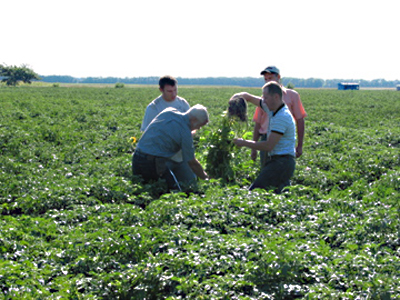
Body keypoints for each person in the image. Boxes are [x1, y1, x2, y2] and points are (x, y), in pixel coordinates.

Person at [233, 81, 296, 193]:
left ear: (276, 97)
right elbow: (250, 97)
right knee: (278, 194)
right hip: (279, 161)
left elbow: (268, 146)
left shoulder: (282, 117)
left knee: (255, 191)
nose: (264, 100)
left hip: (282, 163)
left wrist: (243, 143)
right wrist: (236, 98)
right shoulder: (273, 109)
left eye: (266, 97)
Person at [132, 104, 209, 191]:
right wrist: (206, 178)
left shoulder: (169, 111)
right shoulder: (185, 133)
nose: (198, 129)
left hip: (137, 157)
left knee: (142, 190)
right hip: (153, 163)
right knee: (174, 193)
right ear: (194, 120)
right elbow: (192, 162)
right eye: (199, 125)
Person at [252, 66, 307, 166]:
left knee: (281, 170)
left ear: (278, 77)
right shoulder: (264, 99)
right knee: (266, 171)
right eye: (266, 79)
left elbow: (300, 120)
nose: (268, 82)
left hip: (284, 138)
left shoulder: (292, 95)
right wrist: (254, 147)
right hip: (266, 138)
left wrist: (300, 145)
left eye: (270, 78)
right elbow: (258, 123)